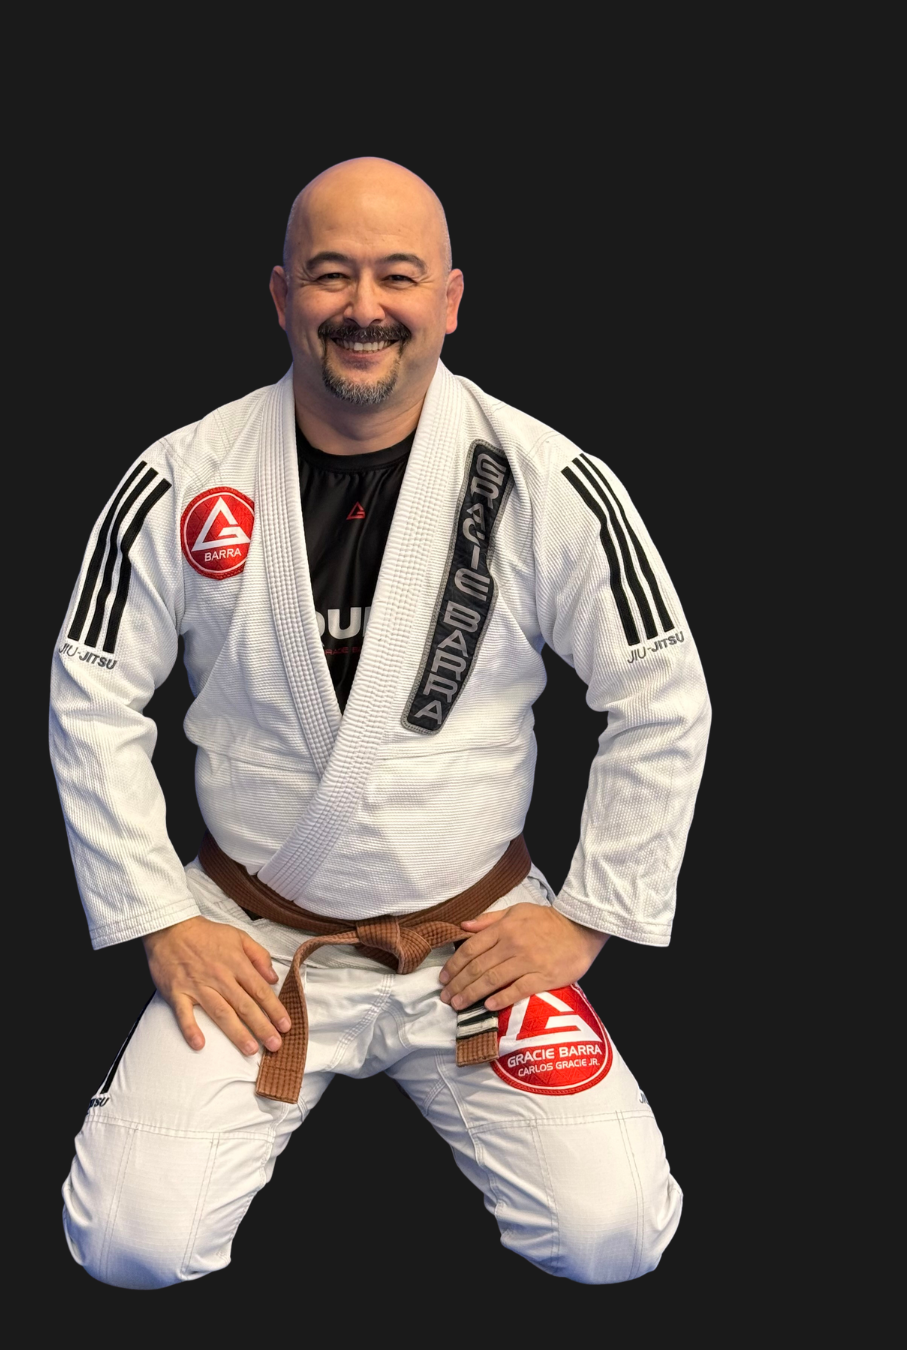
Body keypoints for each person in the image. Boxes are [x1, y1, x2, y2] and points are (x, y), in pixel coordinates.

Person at [50, 157, 710, 1289]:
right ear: (280, 296)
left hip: (476, 944)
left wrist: (588, 916)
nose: (364, 307)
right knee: (127, 1246)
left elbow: (662, 691)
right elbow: (91, 689)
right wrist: (162, 918)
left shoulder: (547, 478)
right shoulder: (183, 479)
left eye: (397, 277)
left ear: (450, 299)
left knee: (613, 1239)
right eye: (330, 275)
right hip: (253, 943)